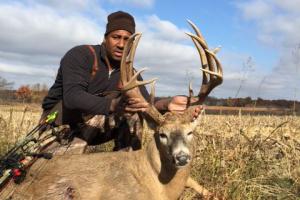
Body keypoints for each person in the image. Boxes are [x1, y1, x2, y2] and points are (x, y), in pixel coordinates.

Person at [41, 11, 200, 149]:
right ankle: (70, 160)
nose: (121, 44)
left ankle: (127, 166)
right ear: (105, 38)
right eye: (116, 37)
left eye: (127, 40)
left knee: (134, 112)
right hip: (60, 124)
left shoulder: (129, 73)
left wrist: (167, 104)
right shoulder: (81, 55)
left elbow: (143, 102)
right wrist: (112, 105)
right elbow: (72, 97)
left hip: (95, 128)